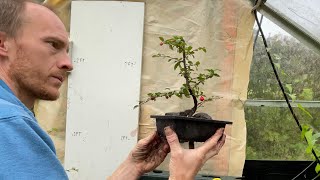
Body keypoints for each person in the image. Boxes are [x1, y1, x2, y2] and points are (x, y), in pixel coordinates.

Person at [0, 0, 226, 179]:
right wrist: (182, 176)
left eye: (67, 49)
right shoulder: (9, 122)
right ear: (3, 44)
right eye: (53, 45)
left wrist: (133, 166)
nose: (68, 63)